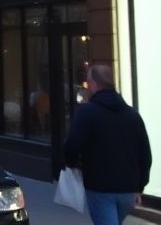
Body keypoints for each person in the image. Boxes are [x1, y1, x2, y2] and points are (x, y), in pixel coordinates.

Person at [63, 64, 152, 225]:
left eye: (88, 83)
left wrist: (73, 163)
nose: (87, 86)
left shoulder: (86, 113)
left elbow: (72, 145)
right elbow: (145, 155)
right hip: (128, 189)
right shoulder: (133, 116)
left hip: (100, 186)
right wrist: (139, 186)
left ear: (94, 84)